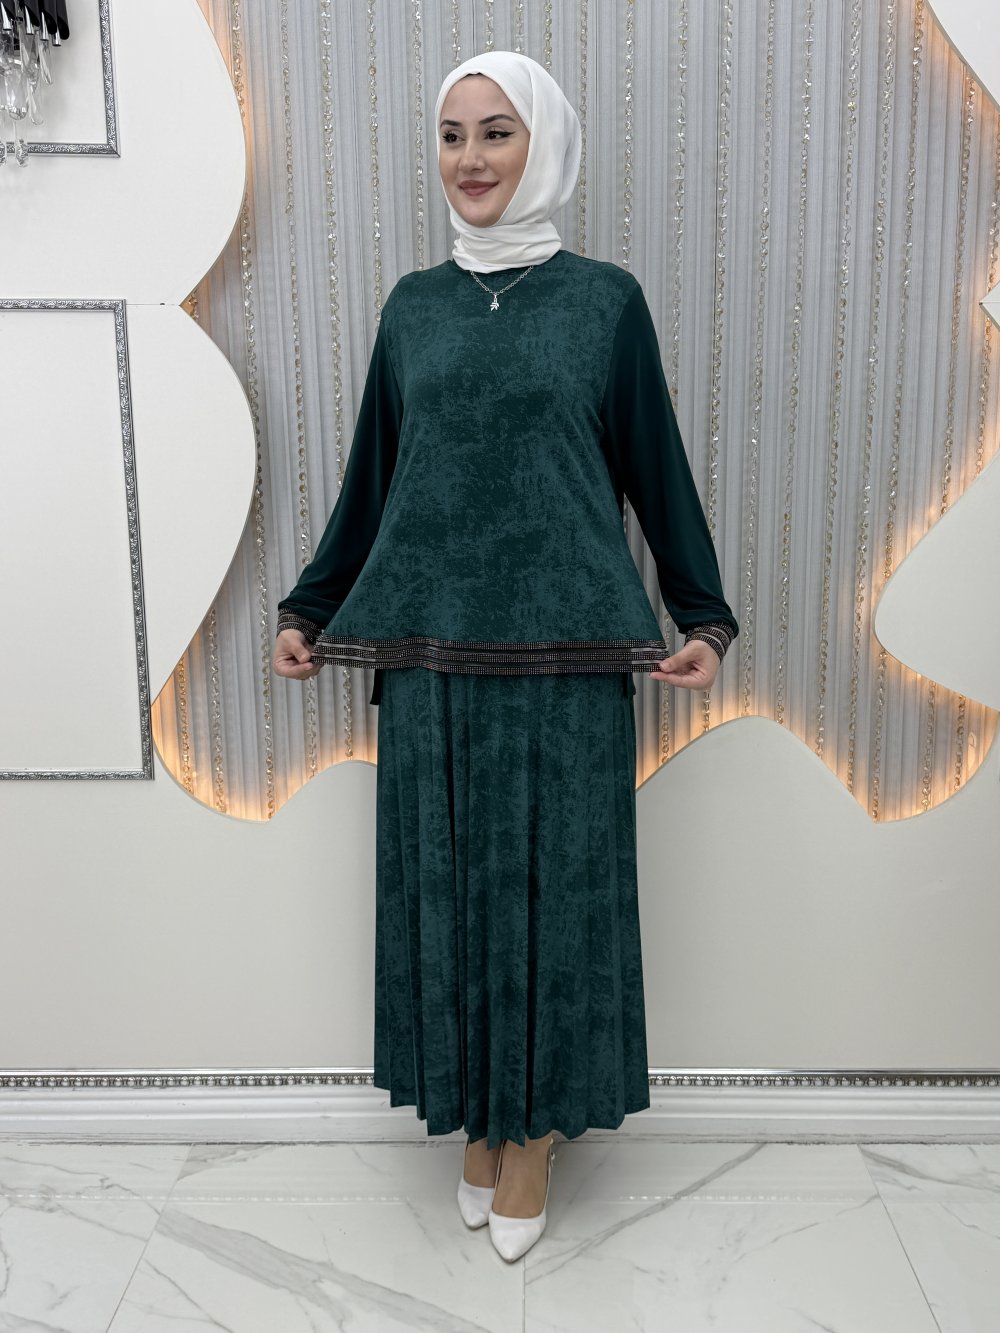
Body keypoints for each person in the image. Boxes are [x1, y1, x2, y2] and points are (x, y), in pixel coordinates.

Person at [272, 50, 738, 1262]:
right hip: (428, 656)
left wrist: (700, 615)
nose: (470, 158)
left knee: (555, 898)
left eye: (496, 132)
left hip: (568, 654)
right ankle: (476, 1122)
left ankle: (530, 1136)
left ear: (544, 145)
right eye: (451, 135)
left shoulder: (602, 303)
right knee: (452, 896)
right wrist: (311, 606)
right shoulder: (412, 308)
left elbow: (652, 465)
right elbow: (378, 476)